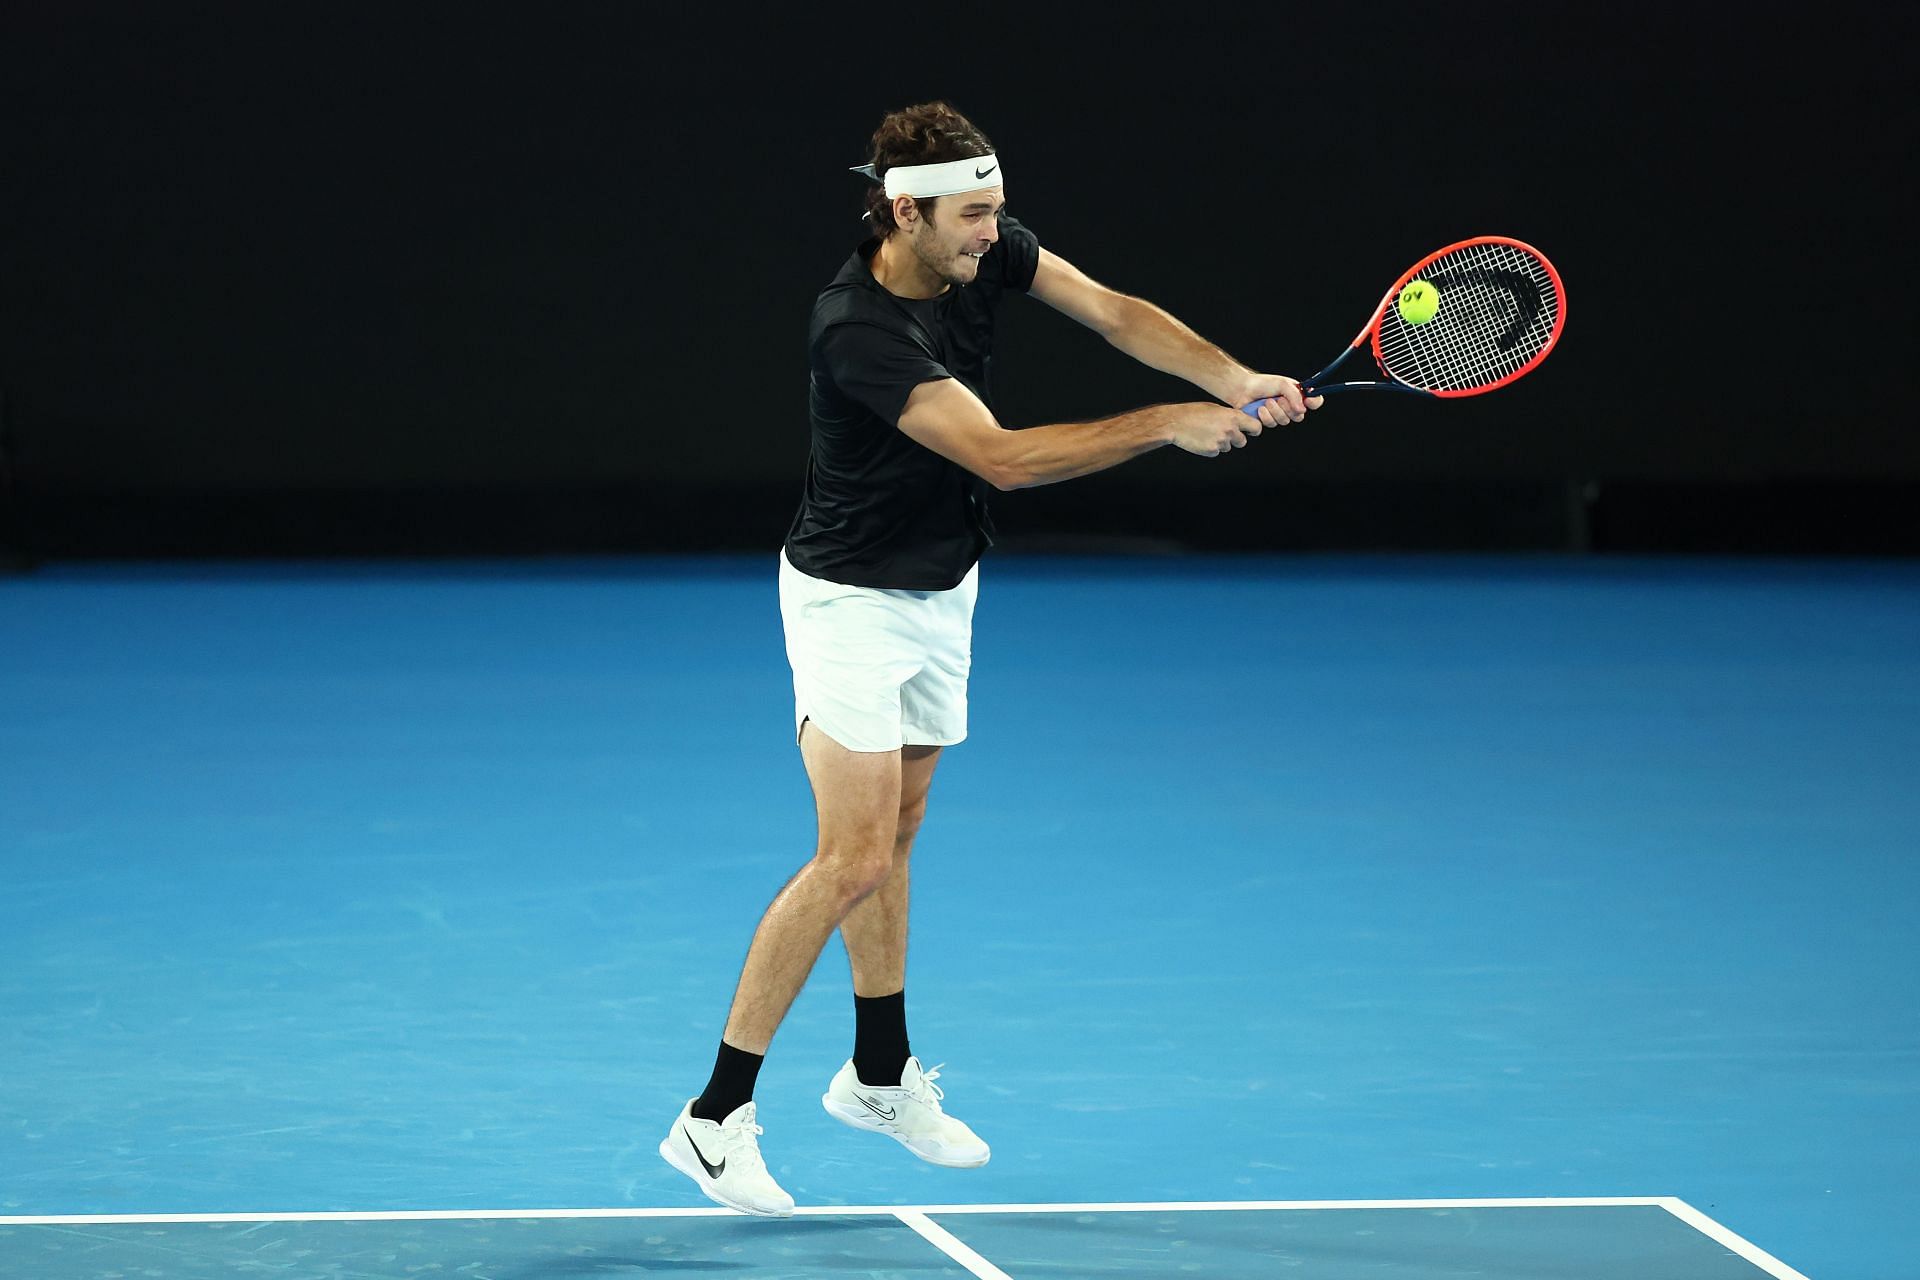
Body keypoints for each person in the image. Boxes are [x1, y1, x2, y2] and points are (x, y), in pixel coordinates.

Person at [659, 101, 1321, 1216]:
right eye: (974, 216)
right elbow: (1003, 459)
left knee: (898, 834)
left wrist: (1234, 377)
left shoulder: (979, 244)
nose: (995, 234)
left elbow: (1111, 311)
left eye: (998, 212)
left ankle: (877, 1075)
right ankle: (713, 1116)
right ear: (905, 213)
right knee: (849, 854)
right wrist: (1168, 424)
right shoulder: (855, 326)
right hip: (851, 603)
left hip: (941, 587)